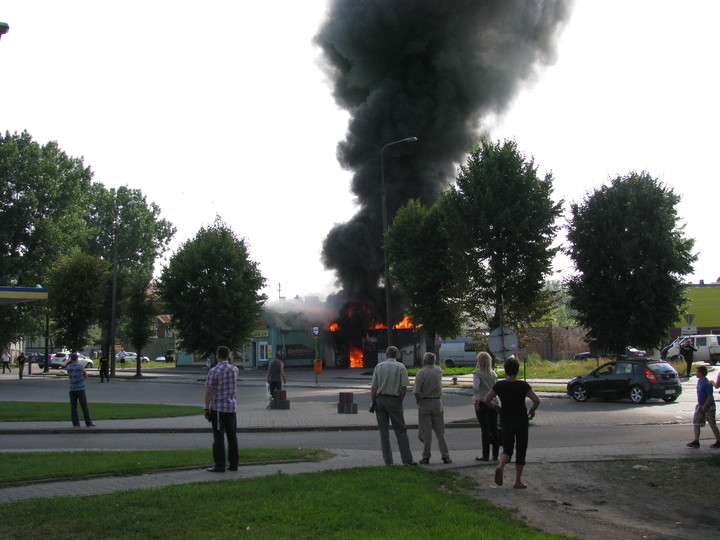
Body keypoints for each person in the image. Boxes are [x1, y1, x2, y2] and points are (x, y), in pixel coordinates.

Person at [484, 356, 540, 489]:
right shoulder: (523, 385)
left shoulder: (500, 385)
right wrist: (532, 410)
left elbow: (486, 400)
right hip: (521, 419)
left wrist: (497, 408)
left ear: (505, 370)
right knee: (521, 449)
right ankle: (517, 481)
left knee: (507, 448)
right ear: (517, 370)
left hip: (506, 419)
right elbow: (536, 400)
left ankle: (500, 466)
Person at [370, 346, 417, 466]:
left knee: (384, 432)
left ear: (386, 354)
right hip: (394, 400)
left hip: (380, 400)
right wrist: (399, 400)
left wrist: (373, 402)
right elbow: (404, 387)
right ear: (397, 355)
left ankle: (388, 461)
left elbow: (374, 387)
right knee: (401, 431)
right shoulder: (400, 367)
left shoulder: (379, 366)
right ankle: (407, 460)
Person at [204, 345, 239, 472]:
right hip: (231, 408)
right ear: (228, 356)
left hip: (219, 408)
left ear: (217, 355)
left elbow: (209, 391)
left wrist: (206, 409)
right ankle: (234, 464)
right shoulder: (234, 369)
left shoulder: (214, 371)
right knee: (232, 437)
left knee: (218, 437)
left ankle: (219, 465)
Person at [413, 352, 451, 464]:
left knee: (427, 432)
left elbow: (416, 391)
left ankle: (426, 456)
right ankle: (446, 456)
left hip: (425, 402)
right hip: (437, 402)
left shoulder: (421, 373)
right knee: (440, 432)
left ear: (424, 361)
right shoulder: (439, 371)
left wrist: (418, 400)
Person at [473, 351, 499, 462]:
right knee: (494, 429)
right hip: (493, 403)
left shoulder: (477, 374)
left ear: (480, 362)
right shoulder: (493, 374)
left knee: (485, 429)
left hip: (482, 403)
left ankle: (485, 455)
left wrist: (477, 400)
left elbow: (476, 388)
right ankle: (495, 454)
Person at [686, 365, 720, 448]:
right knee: (696, 423)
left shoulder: (707, 383)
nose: (696, 373)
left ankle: (718, 441)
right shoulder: (699, 381)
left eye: (697, 372)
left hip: (708, 407)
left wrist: (704, 406)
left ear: (701, 373)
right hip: (700, 405)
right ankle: (696, 441)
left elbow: (710, 397)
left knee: (712, 423)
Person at [67, 353, 95, 427]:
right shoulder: (81, 366)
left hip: (72, 388)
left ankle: (76, 423)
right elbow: (86, 376)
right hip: (80, 387)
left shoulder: (68, 367)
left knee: (73, 407)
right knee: (84, 406)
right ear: (77, 359)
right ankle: (88, 422)